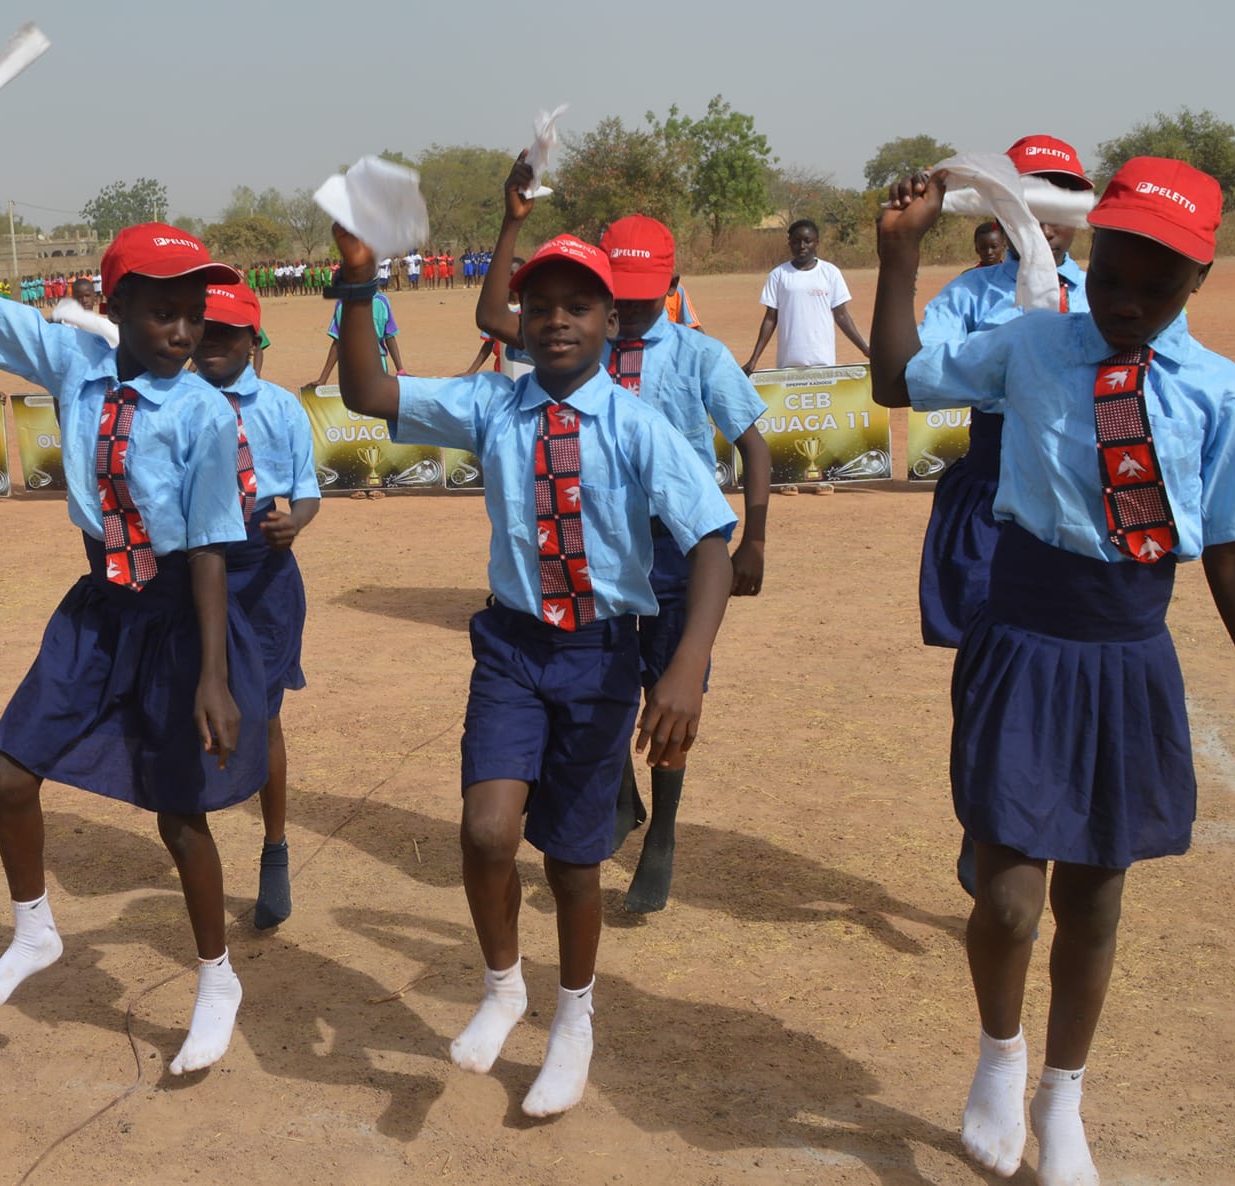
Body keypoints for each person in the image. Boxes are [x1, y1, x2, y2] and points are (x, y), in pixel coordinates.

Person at [871, 158, 1235, 1186]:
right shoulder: (1027, 347)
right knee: (1010, 894)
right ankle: (998, 1057)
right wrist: (895, 257)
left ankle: (1062, 1095)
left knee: (1096, 900)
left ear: (1197, 281)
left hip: (1125, 656)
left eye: (1153, 286)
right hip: (1021, 637)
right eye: (1109, 273)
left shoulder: (1217, 395)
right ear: (1085, 254)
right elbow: (895, 380)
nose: (1121, 300)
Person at [336, 224, 736, 1117]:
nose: (556, 321)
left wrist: (685, 664)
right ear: (517, 318)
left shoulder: (636, 425)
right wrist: (360, 285)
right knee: (485, 831)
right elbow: (367, 391)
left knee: (572, 858)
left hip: (601, 655)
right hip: (514, 647)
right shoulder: (493, 405)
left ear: (611, 323)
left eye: (578, 307)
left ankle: (574, 1018)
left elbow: (710, 539)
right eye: (540, 305)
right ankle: (504, 985)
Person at [0, 132, 267, 1076]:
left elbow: (214, 554)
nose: (182, 332)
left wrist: (214, 677)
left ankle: (216, 975)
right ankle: (34, 931)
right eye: (161, 313)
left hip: (179, 619)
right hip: (97, 606)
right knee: (7, 776)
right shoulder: (75, 364)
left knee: (179, 816)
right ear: (118, 308)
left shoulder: (203, 414)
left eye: (193, 315)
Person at [477, 181, 770, 914]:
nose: (633, 310)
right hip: (598, 547)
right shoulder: (576, 345)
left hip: (676, 551)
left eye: (645, 295)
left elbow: (753, 444)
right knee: (602, 684)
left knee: (670, 691)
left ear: (670, 287)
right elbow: (491, 315)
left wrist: (755, 536)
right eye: (622, 293)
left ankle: (663, 830)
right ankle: (616, 797)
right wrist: (512, 223)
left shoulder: (698, 356)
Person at [913, 135, 1095, 896]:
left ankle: (1050, 803)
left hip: (1080, 489)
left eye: (1058, 199)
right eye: (1028, 194)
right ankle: (983, 813)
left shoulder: (1104, 290)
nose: (1040, 216)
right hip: (990, 487)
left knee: (1070, 654)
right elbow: (920, 370)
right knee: (984, 658)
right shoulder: (966, 295)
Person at [194, 280, 321, 930]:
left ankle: (274, 848)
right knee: (193, 707)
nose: (212, 344)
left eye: (228, 333)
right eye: (204, 331)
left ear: (254, 340)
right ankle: (199, 849)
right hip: (192, 571)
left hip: (263, 572)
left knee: (264, 716)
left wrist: (293, 523)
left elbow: (306, 491)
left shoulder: (280, 407)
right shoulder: (170, 405)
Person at [743, 219, 870, 373]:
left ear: (817, 242)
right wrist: (754, 359)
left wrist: (866, 350)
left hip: (823, 362)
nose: (802, 246)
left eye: (807, 241)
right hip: (788, 364)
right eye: (796, 242)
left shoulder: (830, 273)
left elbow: (842, 316)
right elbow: (770, 318)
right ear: (789, 243)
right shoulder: (778, 275)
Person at [311, 286, 404, 387]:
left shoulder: (381, 301)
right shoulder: (342, 304)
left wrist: (400, 370)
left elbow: (390, 337)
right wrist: (322, 379)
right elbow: (338, 342)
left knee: (375, 400)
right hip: (352, 368)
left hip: (377, 366)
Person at [51, 274, 120, 348]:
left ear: (95, 298)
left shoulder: (104, 326)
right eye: (79, 297)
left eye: (87, 296)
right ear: (73, 300)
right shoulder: (66, 325)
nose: (84, 300)